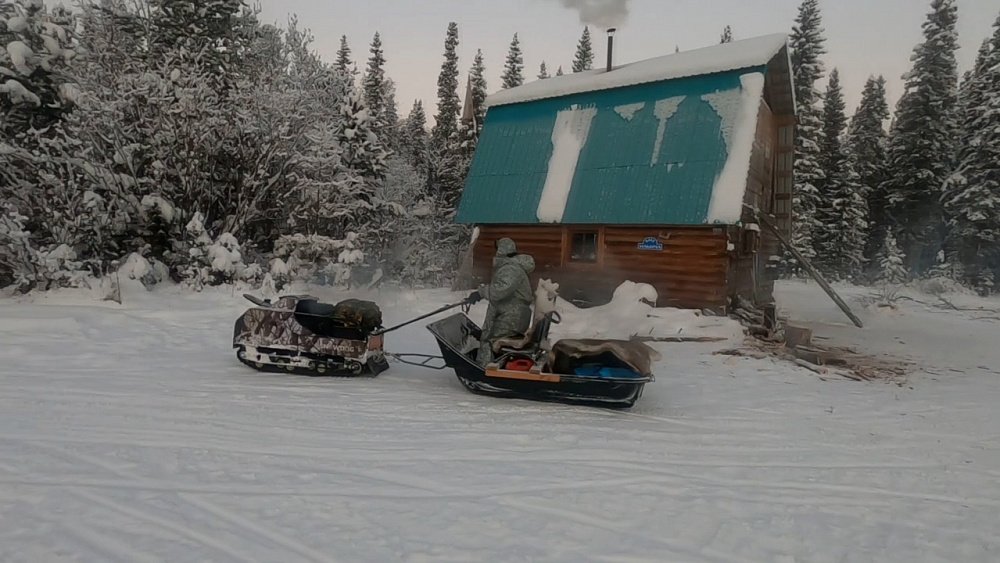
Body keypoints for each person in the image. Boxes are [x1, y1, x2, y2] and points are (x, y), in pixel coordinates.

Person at [466, 238, 535, 366]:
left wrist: (480, 293)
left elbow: (500, 290)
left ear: (501, 251)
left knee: (491, 340)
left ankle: (487, 369)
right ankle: (491, 366)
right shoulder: (511, 267)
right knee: (491, 338)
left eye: (496, 249)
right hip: (512, 314)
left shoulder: (511, 269)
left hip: (511, 316)